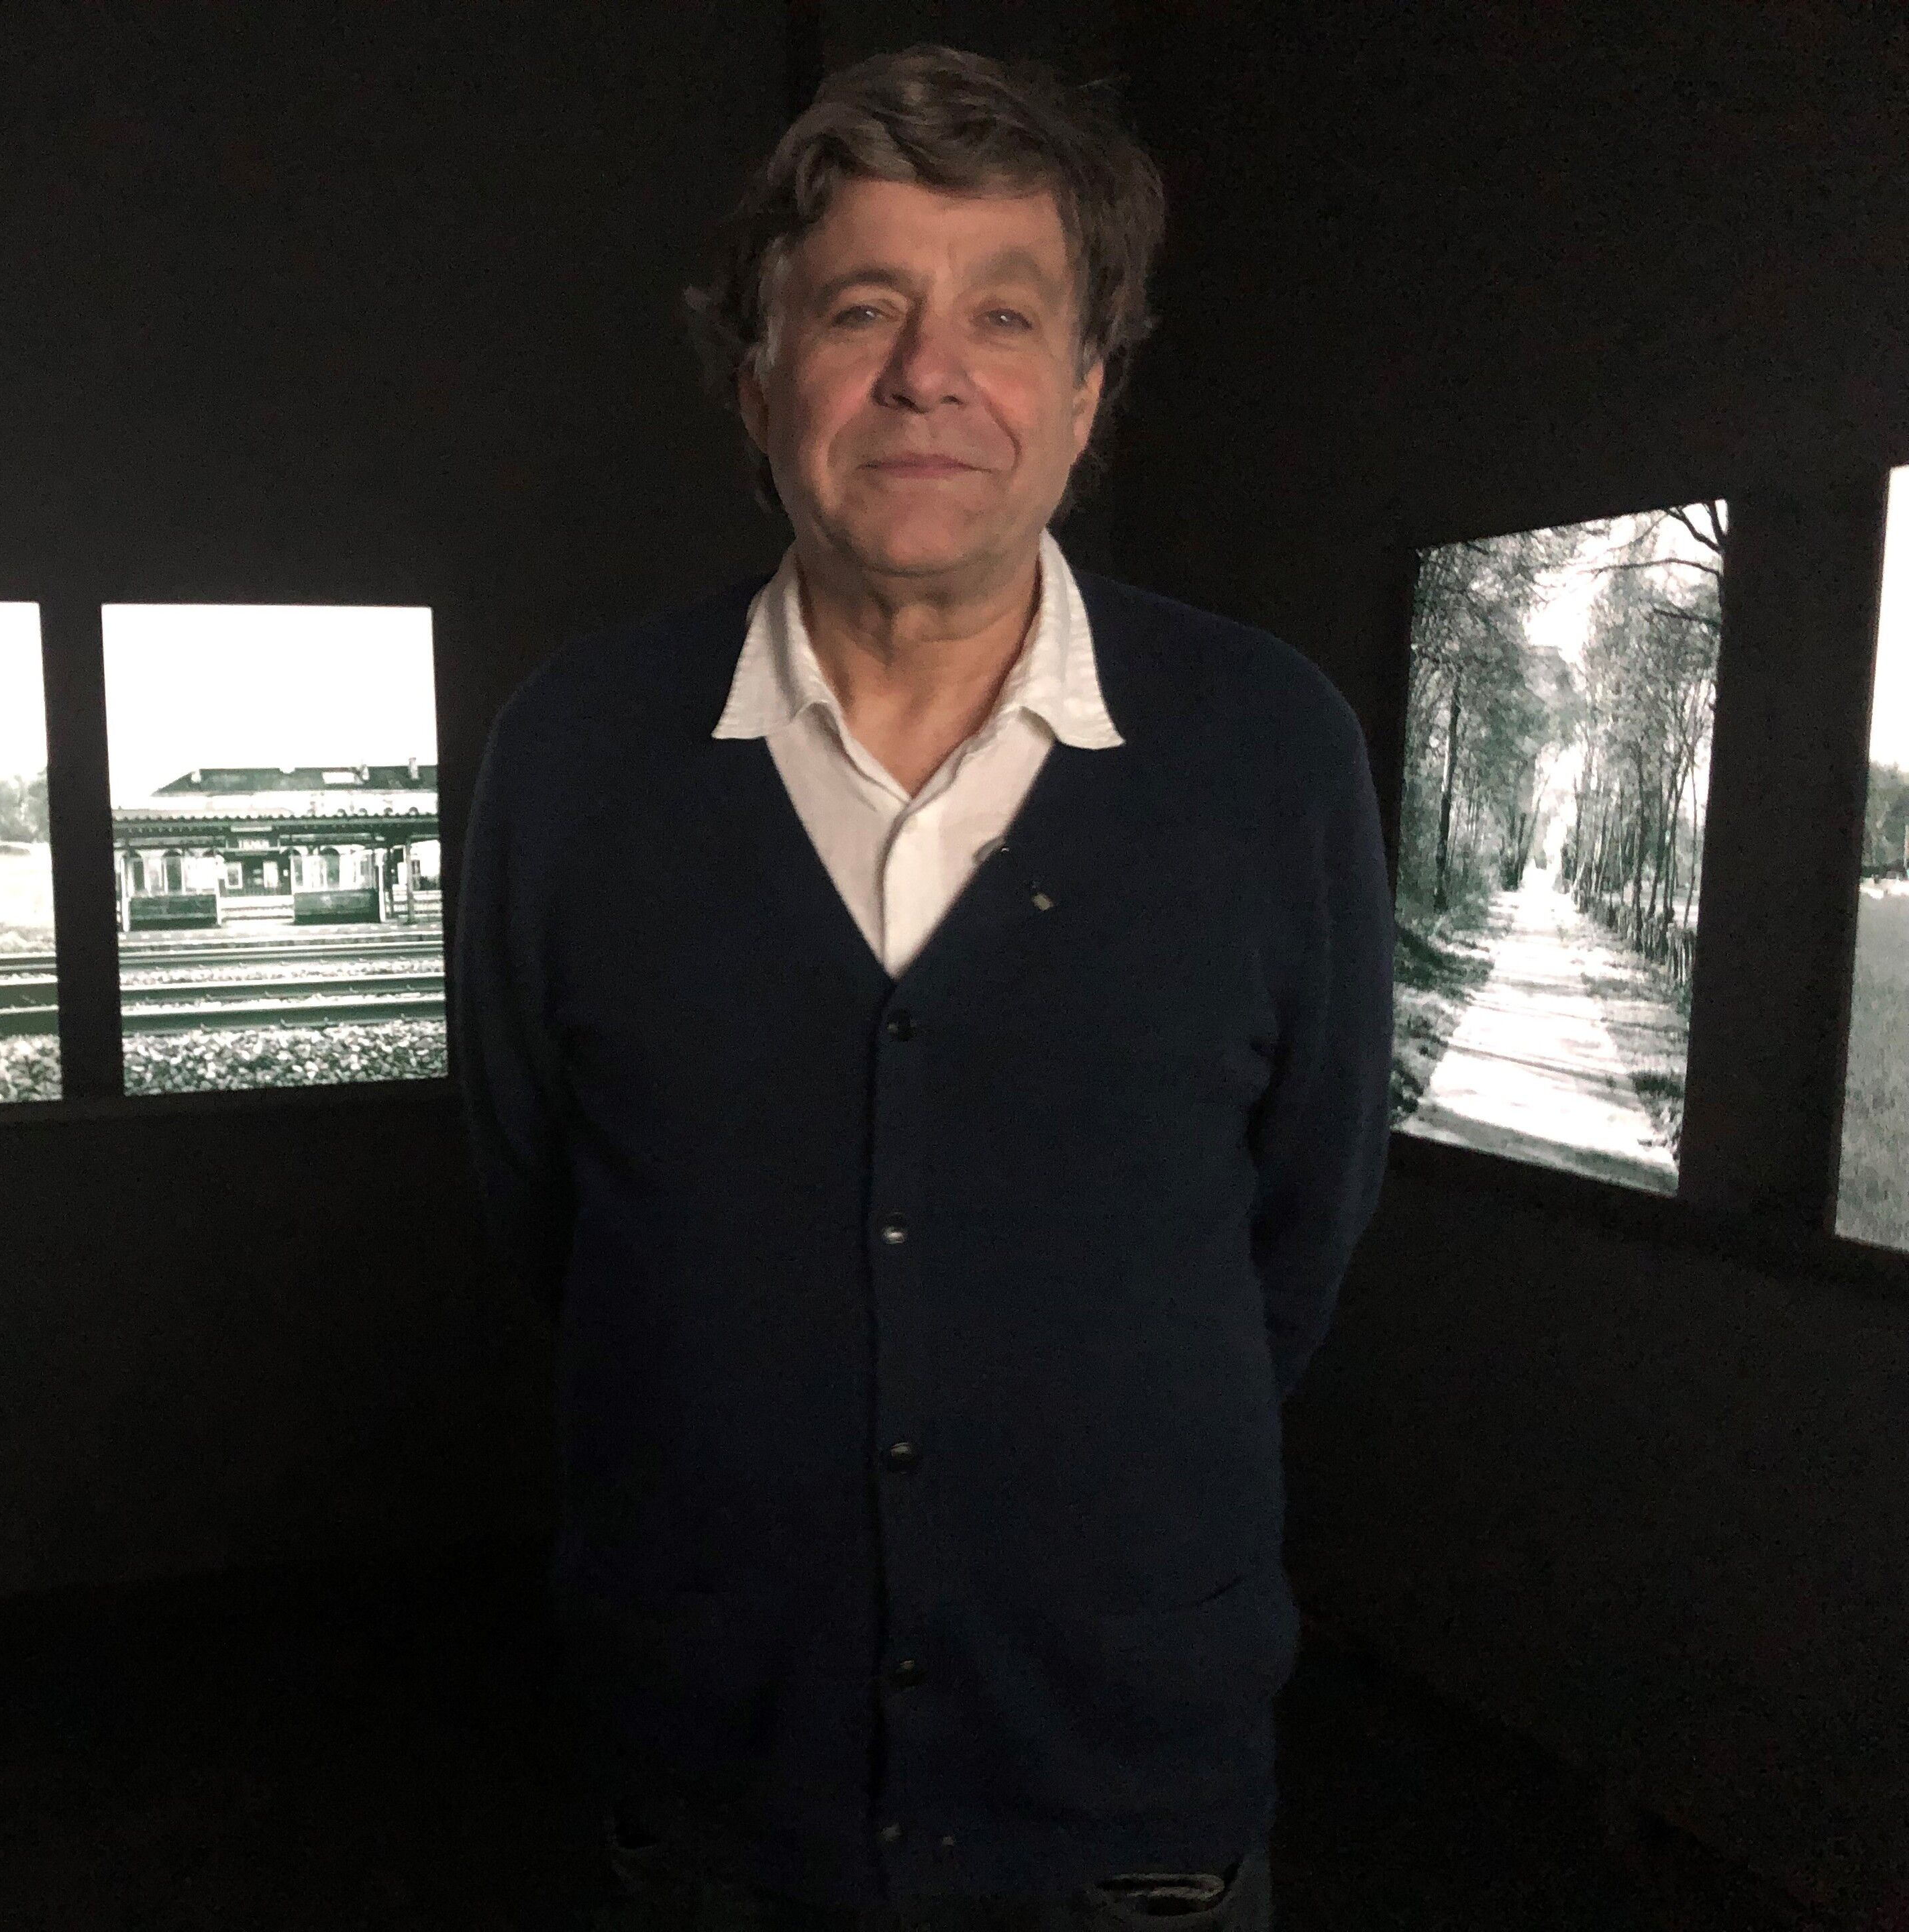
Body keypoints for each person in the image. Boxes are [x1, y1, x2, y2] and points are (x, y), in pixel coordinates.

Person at [452, 44, 1393, 1932]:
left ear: (1087, 395)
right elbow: (549, 1215)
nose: (928, 373)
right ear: (757, 380)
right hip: (714, 1792)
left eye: (1006, 316)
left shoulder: (1268, 748)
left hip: (1126, 1801)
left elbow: (1297, 1234)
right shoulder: (574, 754)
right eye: (861, 308)